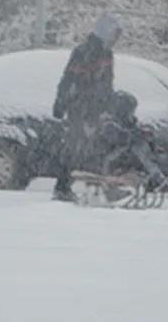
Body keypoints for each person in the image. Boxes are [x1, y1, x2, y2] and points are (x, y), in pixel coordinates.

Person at [50, 13, 121, 202]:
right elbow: (68, 79)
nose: (114, 40)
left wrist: (110, 104)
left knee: (102, 148)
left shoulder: (107, 55)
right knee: (75, 148)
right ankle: (62, 187)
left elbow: (107, 83)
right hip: (80, 107)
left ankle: (104, 187)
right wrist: (60, 103)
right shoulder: (83, 52)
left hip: (98, 109)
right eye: (113, 34)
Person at [96, 90, 168, 193]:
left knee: (142, 146)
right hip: (105, 156)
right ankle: (108, 183)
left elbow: (133, 132)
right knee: (138, 146)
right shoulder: (108, 122)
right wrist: (136, 135)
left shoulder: (128, 121)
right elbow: (120, 138)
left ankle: (157, 177)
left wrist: (147, 137)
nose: (132, 113)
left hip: (121, 153)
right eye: (131, 110)